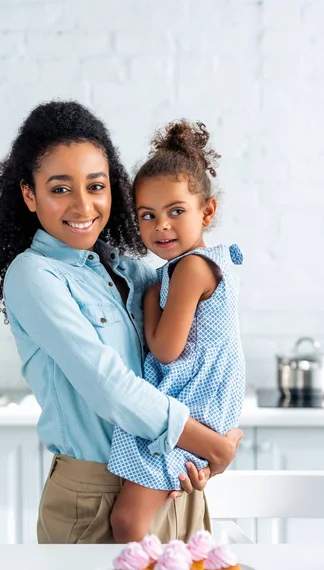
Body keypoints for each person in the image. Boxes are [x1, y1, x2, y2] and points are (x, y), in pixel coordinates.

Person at [0, 101, 243, 544]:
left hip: (167, 479)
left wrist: (194, 450)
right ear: (30, 194)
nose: (84, 205)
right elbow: (108, 385)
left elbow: (205, 346)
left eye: (96, 186)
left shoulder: (124, 270)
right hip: (96, 495)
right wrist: (208, 442)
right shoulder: (33, 275)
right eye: (60, 189)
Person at [108, 120, 245, 542]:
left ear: (207, 211)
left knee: (127, 521)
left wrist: (150, 300)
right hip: (198, 401)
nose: (160, 226)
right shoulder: (192, 264)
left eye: (175, 212)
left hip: (194, 404)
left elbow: (166, 349)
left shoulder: (190, 267)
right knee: (142, 515)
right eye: (147, 215)